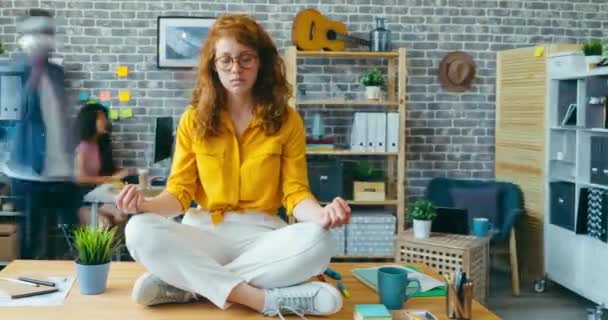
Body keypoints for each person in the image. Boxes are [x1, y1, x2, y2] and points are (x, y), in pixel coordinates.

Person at [115, 14, 351, 318]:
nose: (236, 69)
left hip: (264, 235)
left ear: (261, 62)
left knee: (319, 240)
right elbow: (179, 194)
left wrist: (322, 214)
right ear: (213, 65)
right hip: (204, 233)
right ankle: (265, 301)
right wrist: (144, 205)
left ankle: (189, 286)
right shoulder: (193, 120)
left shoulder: (287, 120)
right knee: (138, 230)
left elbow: (295, 192)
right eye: (225, 60)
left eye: (246, 59)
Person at [3, 9, 79, 259]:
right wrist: (33, 71)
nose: (45, 38)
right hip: (29, 173)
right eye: (38, 32)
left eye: (48, 32)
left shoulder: (58, 73)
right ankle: (30, 293)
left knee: (76, 240)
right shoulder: (12, 71)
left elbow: (62, 119)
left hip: (62, 172)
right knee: (35, 242)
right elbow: (15, 116)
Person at [74, 102, 132, 226]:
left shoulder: (100, 144)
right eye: (102, 118)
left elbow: (106, 171)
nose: (105, 121)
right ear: (91, 121)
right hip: (83, 200)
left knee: (121, 215)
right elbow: (80, 178)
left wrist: (124, 172)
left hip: (98, 195)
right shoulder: (82, 147)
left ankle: (112, 245)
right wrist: (111, 179)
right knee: (104, 223)